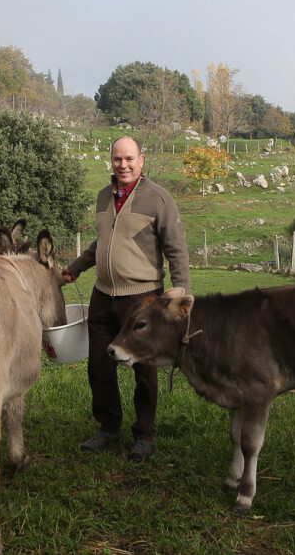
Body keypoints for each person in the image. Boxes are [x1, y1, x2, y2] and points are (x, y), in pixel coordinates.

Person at [62, 136, 190, 462]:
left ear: (141, 160)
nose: (123, 165)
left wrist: (182, 294)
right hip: (103, 294)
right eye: (118, 159)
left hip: (143, 297)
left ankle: (144, 435)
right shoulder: (104, 196)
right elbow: (102, 242)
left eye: (130, 158)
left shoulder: (158, 199)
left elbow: (176, 249)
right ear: (111, 161)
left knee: (144, 370)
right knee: (98, 366)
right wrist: (75, 269)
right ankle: (109, 427)